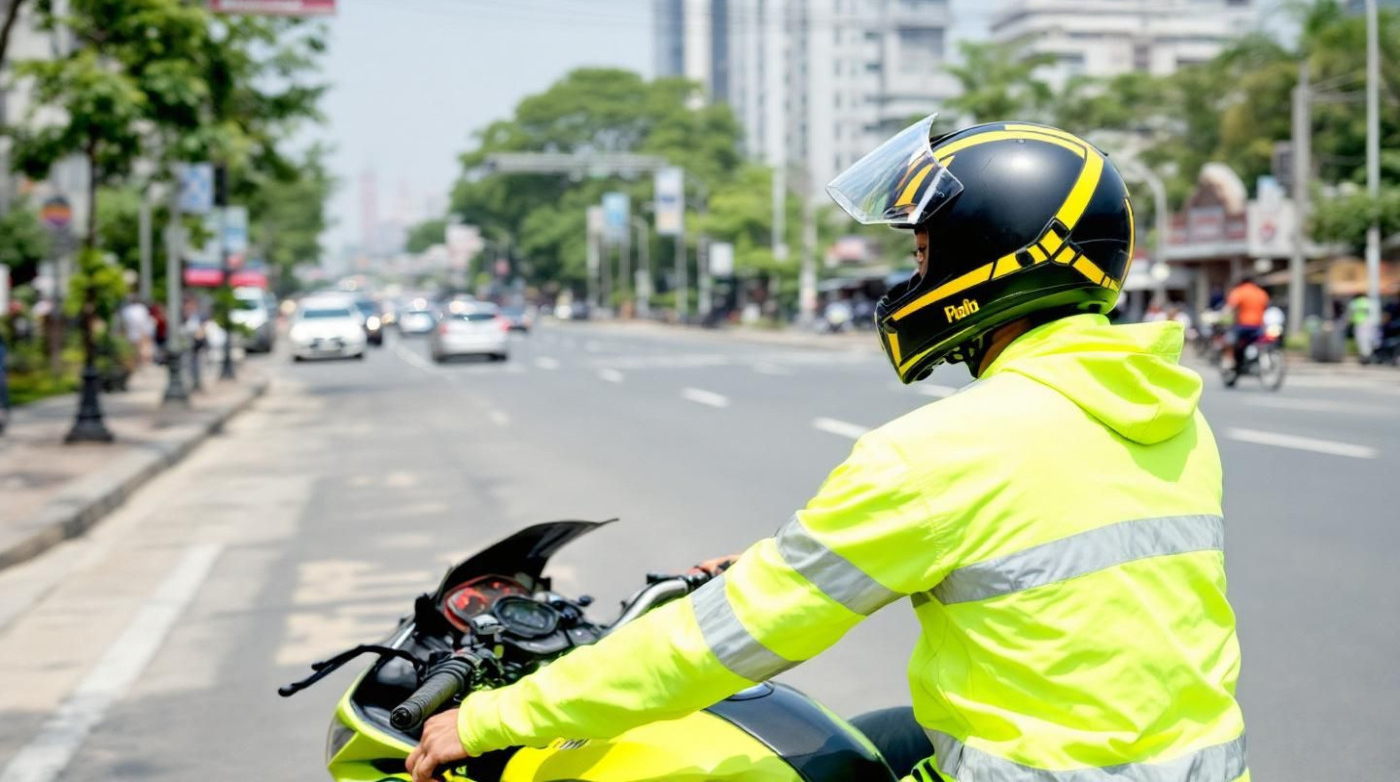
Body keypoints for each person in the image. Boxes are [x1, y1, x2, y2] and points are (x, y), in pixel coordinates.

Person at [408, 119, 1248, 782]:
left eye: (922, 254)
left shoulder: (946, 450)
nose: (910, 281)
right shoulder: (1168, 410)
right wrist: (801, 558)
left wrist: (493, 718)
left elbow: (720, 643)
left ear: (989, 260)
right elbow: (1041, 571)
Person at [1225, 275, 1269, 370]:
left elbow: (1230, 307)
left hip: (1242, 326)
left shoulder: (1239, 291)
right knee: (1261, 344)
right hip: (1258, 326)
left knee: (1230, 341)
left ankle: (1229, 362)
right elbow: (1266, 307)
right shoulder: (1261, 293)